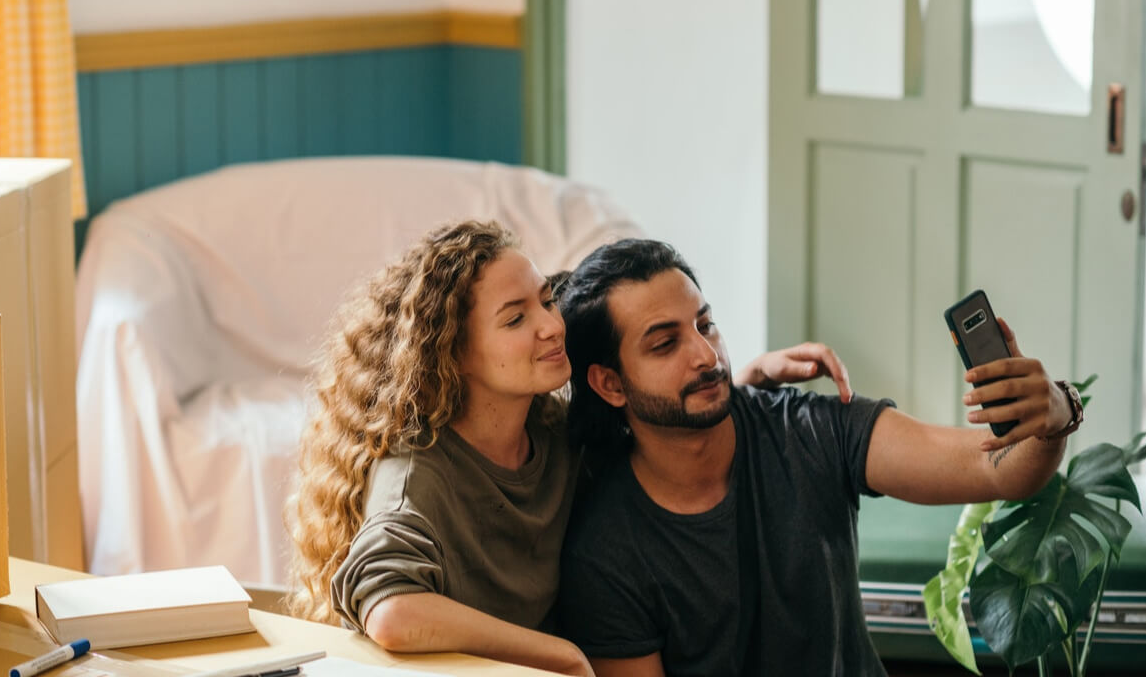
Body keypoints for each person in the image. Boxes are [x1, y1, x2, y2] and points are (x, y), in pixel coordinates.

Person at [286, 220, 851, 676]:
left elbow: (651, 413)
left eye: (545, 301)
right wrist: (559, 655)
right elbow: (391, 613)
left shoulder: (553, 431)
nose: (551, 327)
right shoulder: (417, 474)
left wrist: (737, 382)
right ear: (452, 355)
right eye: (516, 319)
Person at [554, 238, 1082, 676]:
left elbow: (996, 470)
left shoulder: (807, 429)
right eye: (664, 344)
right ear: (609, 384)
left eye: (705, 324)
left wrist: (1056, 412)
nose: (706, 354)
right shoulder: (606, 551)